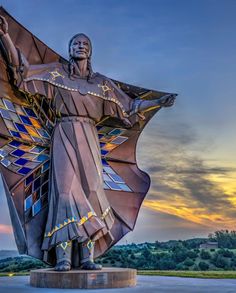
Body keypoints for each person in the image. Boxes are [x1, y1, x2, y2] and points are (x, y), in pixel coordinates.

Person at [0, 15, 175, 271]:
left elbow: (130, 107)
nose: (80, 46)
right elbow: (23, 73)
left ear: (89, 51)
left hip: (90, 139)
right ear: (70, 50)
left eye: (84, 43)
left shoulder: (101, 85)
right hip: (63, 135)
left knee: (92, 192)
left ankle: (86, 258)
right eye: (75, 43)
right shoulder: (56, 74)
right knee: (64, 193)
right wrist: (4, 36)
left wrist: (158, 102)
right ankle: (62, 257)